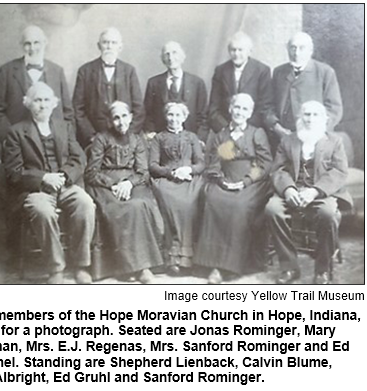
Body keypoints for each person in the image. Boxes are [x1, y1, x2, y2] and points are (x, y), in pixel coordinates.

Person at [3, 82, 95, 284]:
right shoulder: (16, 132)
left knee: (86, 204)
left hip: (65, 184)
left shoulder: (65, 127)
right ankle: (56, 269)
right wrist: (43, 178)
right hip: (36, 190)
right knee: (42, 211)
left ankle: (81, 265)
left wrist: (63, 175)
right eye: (37, 100)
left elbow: (79, 159)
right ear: (28, 104)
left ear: (54, 104)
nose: (42, 105)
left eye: (46, 100)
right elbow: (13, 172)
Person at [265, 101, 352, 285]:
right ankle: (289, 267)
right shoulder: (288, 140)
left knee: (327, 213)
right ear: (300, 117)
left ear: (324, 119)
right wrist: (288, 189)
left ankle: (322, 270)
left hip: (322, 192)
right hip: (292, 191)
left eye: (315, 115)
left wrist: (314, 191)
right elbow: (278, 170)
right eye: (306, 114)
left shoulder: (335, 142)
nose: (310, 119)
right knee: (272, 209)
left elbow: (340, 172)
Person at [194, 93, 272, 284]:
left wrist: (244, 181)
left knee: (238, 205)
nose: (240, 112)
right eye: (237, 107)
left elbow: (264, 163)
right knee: (213, 200)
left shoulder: (256, 133)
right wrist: (221, 180)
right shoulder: (221, 135)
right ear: (230, 109)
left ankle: (230, 266)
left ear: (250, 112)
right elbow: (213, 162)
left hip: (252, 181)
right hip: (225, 178)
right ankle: (213, 263)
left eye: (245, 109)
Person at [85, 101, 164, 284]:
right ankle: (127, 267)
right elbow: (91, 172)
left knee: (140, 205)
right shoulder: (101, 139)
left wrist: (128, 183)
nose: (121, 122)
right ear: (110, 121)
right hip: (105, 185)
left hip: (132, 183)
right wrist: (113, 185)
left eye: (124, 117)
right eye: (116, 118)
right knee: (118, 209)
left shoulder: (137, 139)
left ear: (130, 117)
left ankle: (143, 267)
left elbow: (143, 171)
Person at [0, 25, 73, 144]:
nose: (32, 48)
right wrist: (9, 139)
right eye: (27, 43)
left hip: (54, 143)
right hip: (19, 143)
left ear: (45, 43)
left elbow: (68, 112)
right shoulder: (7, 71)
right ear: (21, 45)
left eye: (36, 42)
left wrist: (66, 140)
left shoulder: (57, 71)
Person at [149, 102, 205, 275]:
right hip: (167, 179)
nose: (174, 119)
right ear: (166, 116)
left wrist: (188, 169)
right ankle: (172, 258)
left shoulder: (192, 137)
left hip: (190, 179)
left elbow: (201, 163)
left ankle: (189, 258)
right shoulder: (159, 138)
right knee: (170, 202)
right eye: (171, 115)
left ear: (185, 117)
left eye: (178, 115)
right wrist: (171, 172)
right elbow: (152, 165)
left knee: (190, 202)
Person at [266, 32, 343, 150]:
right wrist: (276, 127)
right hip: (283, 138)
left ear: (310, 50)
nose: (296, 53)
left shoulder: (325, 72)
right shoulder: (279, 72)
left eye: (302, 48)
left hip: (316, 140)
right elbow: (268, 105)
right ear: (287, 49)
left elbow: (334, 109)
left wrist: (315, 132)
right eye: (293, 48)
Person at [73, 27, 145, 149]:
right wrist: (91, 136)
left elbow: (139, 109)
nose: (109, 46)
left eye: (114, 43)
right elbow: (78, 109)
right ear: (99, 46)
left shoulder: (129, 71)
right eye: (105, 42)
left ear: (120, 47)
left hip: (125, 140)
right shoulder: (85, 71)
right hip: (94, 138)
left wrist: (127, 135)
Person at [144, 41, 209, 143]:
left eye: (175, 53)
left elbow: (203, 116)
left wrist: (199, 139)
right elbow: (148, 114)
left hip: (190, 142)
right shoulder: (153, 83)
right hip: (162, 141)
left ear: (182, 56)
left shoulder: (197, 83)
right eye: (167, 54)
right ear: (163, 58)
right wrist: (151, 133)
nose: (171, 58)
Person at [208, 32, 272, 133]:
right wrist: (226, 129)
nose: (236, 54)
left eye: (240, 50)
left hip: (252, 130)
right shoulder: (221, 70)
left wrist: (246, 130)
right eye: (233, 50)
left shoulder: (262, 71)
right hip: (225, 129)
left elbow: (264, 106)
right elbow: (213, 107)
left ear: (249, 51)